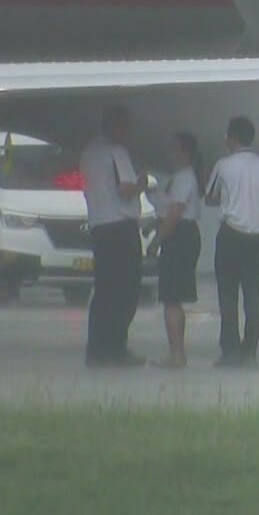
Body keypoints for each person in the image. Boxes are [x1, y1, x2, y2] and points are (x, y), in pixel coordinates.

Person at [81, 105, 146, 368]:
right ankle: (116, 347)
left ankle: (96, 348)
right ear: (115, 126)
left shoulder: (88, 152)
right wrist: (141, 184)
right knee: (126, 291)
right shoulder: (117, 152)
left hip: (99, 225)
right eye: (125, 126)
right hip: (120, 227)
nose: (128, 132)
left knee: (103, 291)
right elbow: (125, 190)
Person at [205, 115, 259, 368]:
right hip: (256, 237)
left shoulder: (224, 165)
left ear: (231, 138)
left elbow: (209, 197)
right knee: (252, 293)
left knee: (228, 295)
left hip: (231, 234)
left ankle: (230, 351)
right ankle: (250, 350)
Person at [150, 133, 204, 369]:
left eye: (175, 149)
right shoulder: (180, 177)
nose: (170, 154)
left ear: (185, 153)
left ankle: (177, 354)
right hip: (181, 233)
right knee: (172, 298)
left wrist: (157, 240)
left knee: (171, 299)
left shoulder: (184, 178)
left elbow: (175, 214)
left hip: (180, 236)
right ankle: (176, 353)